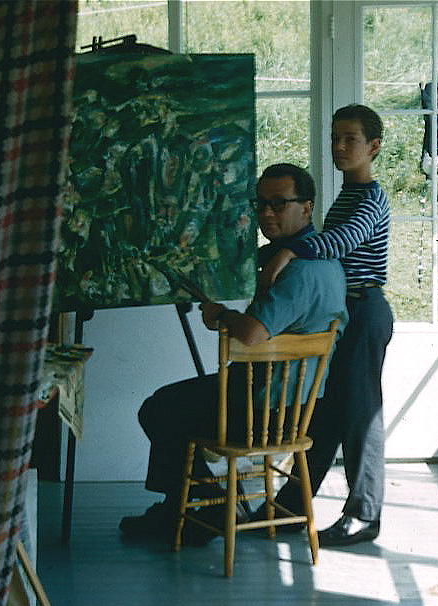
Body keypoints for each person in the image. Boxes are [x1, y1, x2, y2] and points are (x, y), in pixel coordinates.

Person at [119, 163, 348, 542]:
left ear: (306, 207)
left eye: (279, 204)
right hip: (294, 400)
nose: (266, 213)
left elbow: (254, 334)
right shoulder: (318, 259)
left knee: (160, 408)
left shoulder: (300, 271)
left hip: (268, 408)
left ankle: (196, 509)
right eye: (260, 204)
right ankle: (193, 505)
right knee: (171, 404)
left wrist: (222, 315)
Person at [256, 104, 394, 547]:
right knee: (323, 414)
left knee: (360, 415)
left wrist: (289, 252)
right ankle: (293, 509)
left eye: (350, 139)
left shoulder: (370, 197)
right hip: (346, 315)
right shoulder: (346, 194)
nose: (339, 147)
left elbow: (340, 242)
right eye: (335, 137)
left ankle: (364, 515)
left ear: (373, 147)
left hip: (366, 310)